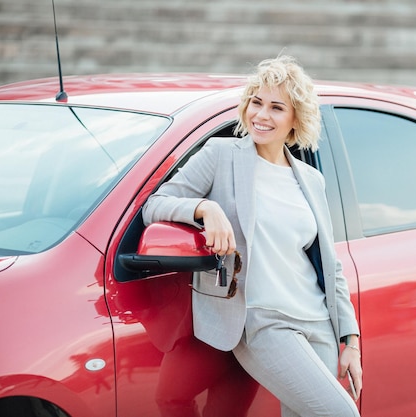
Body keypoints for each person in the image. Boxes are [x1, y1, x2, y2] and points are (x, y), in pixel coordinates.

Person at [142, 55, 362, 417]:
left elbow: (330, 264)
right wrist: (205, 209)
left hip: (317, 322)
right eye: (256, 102)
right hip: (262, 322)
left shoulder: (310, 179)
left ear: (296, 119)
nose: (261, 115)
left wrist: (350, 341)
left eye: (277, 107)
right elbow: (157, 204)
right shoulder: (220, 155)